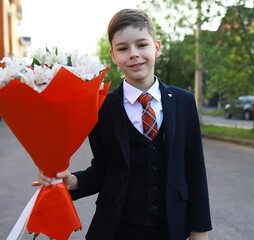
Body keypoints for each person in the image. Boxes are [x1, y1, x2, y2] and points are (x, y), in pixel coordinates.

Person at [33, 8, 212, 240]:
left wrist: (199, 231)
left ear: (156, 48)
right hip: (117, 229)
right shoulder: (101, 106)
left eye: (142, 45)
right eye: (123, 48)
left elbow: (194, 169)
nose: (134, 54)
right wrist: (73, 181)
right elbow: (103, 168)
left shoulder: (184, 102)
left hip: (171, 229)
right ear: (113, 56)